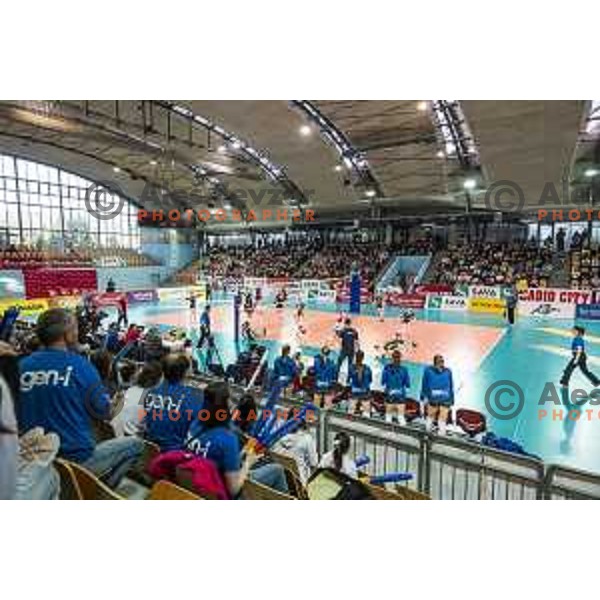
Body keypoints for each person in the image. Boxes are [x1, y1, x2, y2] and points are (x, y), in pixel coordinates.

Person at [18, 308, 143, 489]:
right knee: (136, 445)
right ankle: (99, 491)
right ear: (66, 334)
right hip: (76, 460)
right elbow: (105, 414)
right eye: (75, 329)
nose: (78, 333)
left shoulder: (21, 366)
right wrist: (118, 403)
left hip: (35, 461)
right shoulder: (81, 367)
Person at [185, 382, 289, 497]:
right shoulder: (228, 439)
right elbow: (233, 489)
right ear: (225, 405)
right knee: (277, 470)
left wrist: (241, 456)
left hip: (196, 485)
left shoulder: (194, 425)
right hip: (218, 490)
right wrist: (248, 463)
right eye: (231, 399)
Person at [141, 354, 204, 451]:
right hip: (175, 455)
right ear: (186, 372)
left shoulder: (150, 393)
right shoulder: (194, 397)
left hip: (150, 451)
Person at [111, 361, 163, 437]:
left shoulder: (129, 391)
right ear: (157, 381)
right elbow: (150, 426)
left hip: (113, 434)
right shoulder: (149, 397)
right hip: (129, 440)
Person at [273, 420, 318, 485]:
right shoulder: (307, 439)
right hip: (300, 483)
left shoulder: (279, 438)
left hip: (282, 481)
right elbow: (314, 464)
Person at [420, 355, 454, 435]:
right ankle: (427, 434)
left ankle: (441, 435)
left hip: (445, 399)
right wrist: (423, 396)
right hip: (433, 399)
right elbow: (424, 384)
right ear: (435, 362)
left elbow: (451, 385)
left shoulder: (448, 371)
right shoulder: (428, 370)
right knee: (430, 417)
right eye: (439, 362)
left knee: (442, 419)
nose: (441, 363)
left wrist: (452, 399)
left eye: (442, 361)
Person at [381, 350, 411, 425]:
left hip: (389, 397)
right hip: (400, 397)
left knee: (388, 417)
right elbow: (407, 384)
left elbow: (383, 382)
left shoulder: (387, 368)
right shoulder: (404, 369)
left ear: (392, 358)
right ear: (400, 359)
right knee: (401, 417)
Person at [347, 350, 372, 417]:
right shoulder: (352, 367)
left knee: (366, 413)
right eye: (358, 356)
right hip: (355, 392)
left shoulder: (367, 368)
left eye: (360, 356)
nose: (359, 358)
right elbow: (348, 379)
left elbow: (370, 380)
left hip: (363, 393)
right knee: (351, 411)